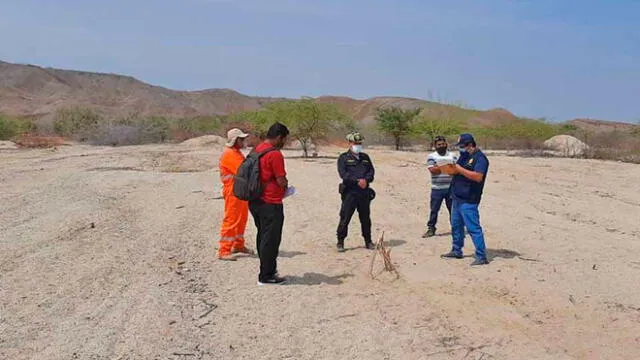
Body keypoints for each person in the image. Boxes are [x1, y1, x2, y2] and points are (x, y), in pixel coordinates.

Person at [249, 122, 290, 285]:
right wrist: (286, 187)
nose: (284, 143)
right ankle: (266, 275)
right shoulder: (275, 154)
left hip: (256, 200)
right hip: (270, 203)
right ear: (279, 137)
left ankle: (267, 270)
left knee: (263, 236)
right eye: (284, 139)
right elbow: (280, 179)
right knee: (271, 239)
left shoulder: (257, 149)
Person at [440, 133, 490, 266]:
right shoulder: (464, 157)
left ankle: (481, 256)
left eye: (462, 146)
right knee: (456, 226)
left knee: (473, 228)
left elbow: (478, 177)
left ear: (470, 145)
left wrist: (460, 169)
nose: (460, 149)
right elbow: (457, 170)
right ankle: (456, 250)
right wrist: (448, 169)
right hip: (456, 197)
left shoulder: (480, 159)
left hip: (469, 199)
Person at [336, 132, 375, 252]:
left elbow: (371, 172)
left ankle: (368, 241)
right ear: (350, 143)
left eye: (359, 143)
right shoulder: (343, 158)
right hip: (350, 193)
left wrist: (366, 180)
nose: (357, 145)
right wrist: (357, 181)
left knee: (365, 218)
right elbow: (344, 175)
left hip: (364, 193)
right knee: (345, 217)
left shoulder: (365, 157)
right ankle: (340, 241)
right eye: (355, 143)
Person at [218, 128, 254, 261]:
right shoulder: (230, 154)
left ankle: (238, 245)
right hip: (233, 191)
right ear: (235, 140)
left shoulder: (236, 152)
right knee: (232, 219)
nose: (244, 141)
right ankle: (224, 250)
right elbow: (244, 171)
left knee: (241, 219)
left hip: (240, 191)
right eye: (241, 139)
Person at [423, 136, 458, 238]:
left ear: (446, 144)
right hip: (437, 188)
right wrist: (448, 167)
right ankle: (431, 229)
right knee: (434, 210)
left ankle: (456, 229)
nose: (441, 146)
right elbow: (433, 170)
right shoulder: (431, 156)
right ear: (435, 146)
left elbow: (456, 170)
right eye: (439, 144)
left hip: (451, 188)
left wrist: (440, 167)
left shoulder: (453, 155)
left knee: (453, 210)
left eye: (443, 144)